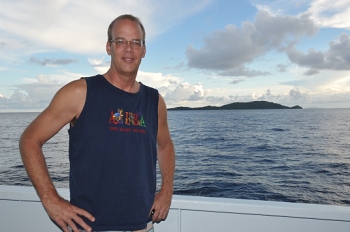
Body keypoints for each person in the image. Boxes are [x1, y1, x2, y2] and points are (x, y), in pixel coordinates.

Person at [19, 14, 175, 232]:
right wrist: (50, 198)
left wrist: (167, 189)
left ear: (144, 50)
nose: (128, 49)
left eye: (135, 42)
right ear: (108, 47)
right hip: (91, 226)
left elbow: (165, 145)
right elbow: (30, 139)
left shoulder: (154, 100)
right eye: (120, 41)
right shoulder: (80, 92)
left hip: (142, 224)